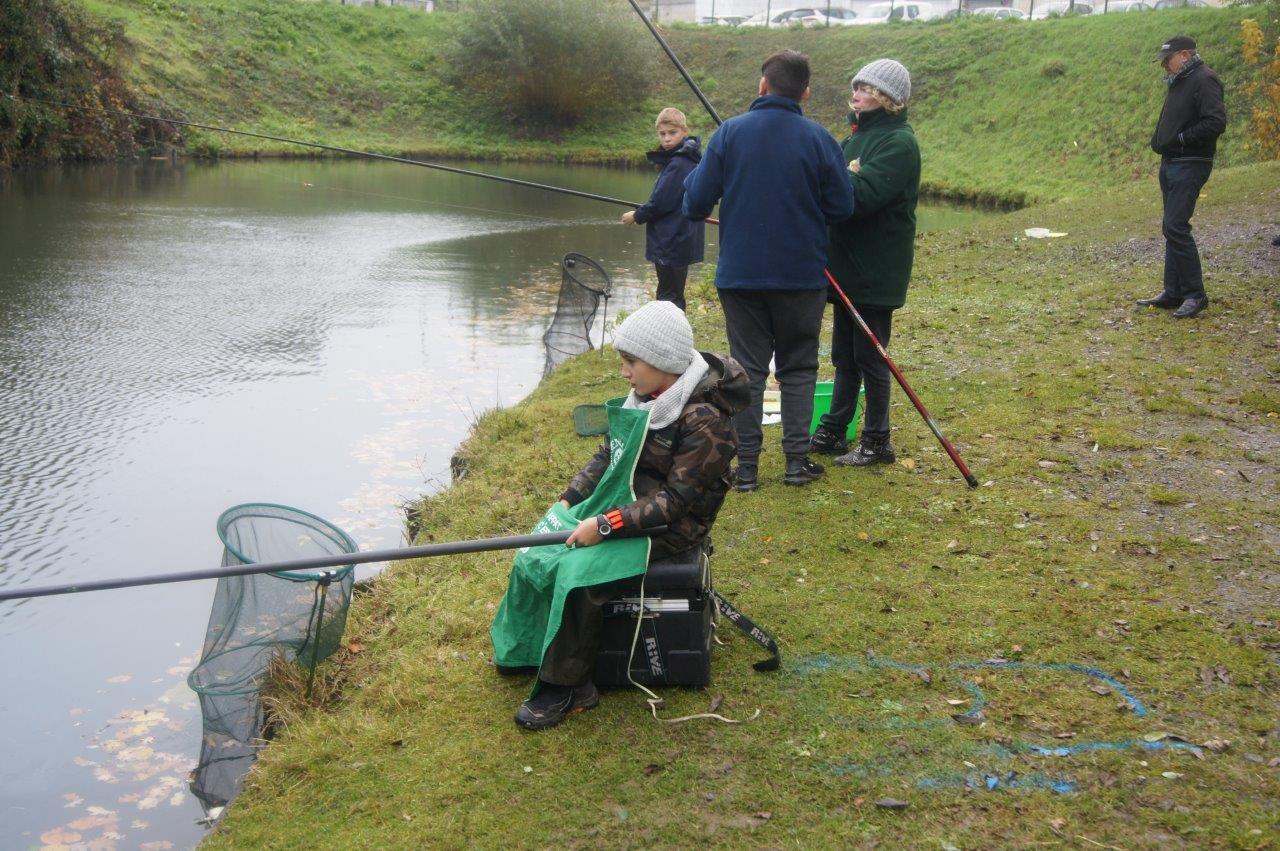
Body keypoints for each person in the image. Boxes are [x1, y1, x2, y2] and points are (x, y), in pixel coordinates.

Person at [501, 301, 748, 730]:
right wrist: (569, 500)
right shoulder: (646, 398)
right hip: (628, 502)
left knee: (581, 573)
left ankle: (569, 686)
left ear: (663, 362)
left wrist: (604, 525)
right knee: (534, 553)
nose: (624, 372)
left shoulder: (706, 421)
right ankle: (529, 650)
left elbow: (674, 502)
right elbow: (607, 456)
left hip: (673, 527)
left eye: (630, 361)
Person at [683, 50, 855, 491]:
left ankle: (747, 471)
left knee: (749, 371)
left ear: (763, 86)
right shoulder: (820, 140)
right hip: (801, 276)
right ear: (806, 93)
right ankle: (796, 464)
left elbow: (695, 204)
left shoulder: (728, 135)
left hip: (742, 278)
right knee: (798, 368)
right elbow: (842, 206)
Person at [809, 60, 919, 468]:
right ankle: (836, 428)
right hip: (845, 267)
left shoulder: (899, 143)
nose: (857, 93)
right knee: (843, 354)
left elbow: (860, 196)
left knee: (871, 355)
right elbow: (832, 186)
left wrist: (830, 177)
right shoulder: (852, 140)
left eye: (868, 89)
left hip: (876, 269)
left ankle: (877, 440)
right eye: (857, 85)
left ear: (888, 99)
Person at [1137, 35, 1226, 319]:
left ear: (1185, 55)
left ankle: (1195, 294)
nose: (1165, 66)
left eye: (1168, 60)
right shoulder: (1181, 80)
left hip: (1190, 162)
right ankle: (1173, 291)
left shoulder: (1204, 79)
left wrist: (1182, 139)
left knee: (1176, 226)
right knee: (1170, 226)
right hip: (1172, 162)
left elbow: (1215, 121)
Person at [622, 108, 705, 311]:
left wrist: (637, 215)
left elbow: (661, 202)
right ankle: (674, 337)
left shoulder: (679, 162)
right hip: (680, 237)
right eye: (662, 134)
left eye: (672, 133)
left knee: (668, 298)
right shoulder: (688, 158)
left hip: (672, 240)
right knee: (673, 293)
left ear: (684, 131)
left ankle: (671, 339)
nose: (666, 138)